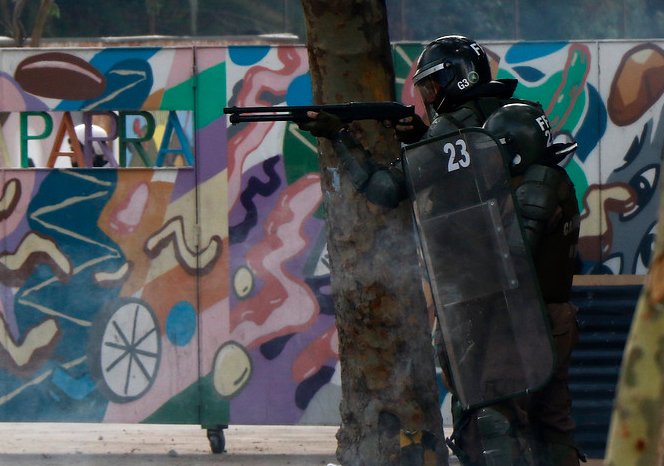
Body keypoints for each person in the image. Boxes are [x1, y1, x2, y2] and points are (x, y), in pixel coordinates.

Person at [298, 35, 583, 466]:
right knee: (547, 426)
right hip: (538, 309)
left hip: (499, 310)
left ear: (457, 78)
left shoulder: (468, 132)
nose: (430, 99)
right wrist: (421, 138)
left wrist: (339, 136)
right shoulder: (500, 118)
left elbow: (387, 189)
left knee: (490, 422)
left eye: (432, 87)